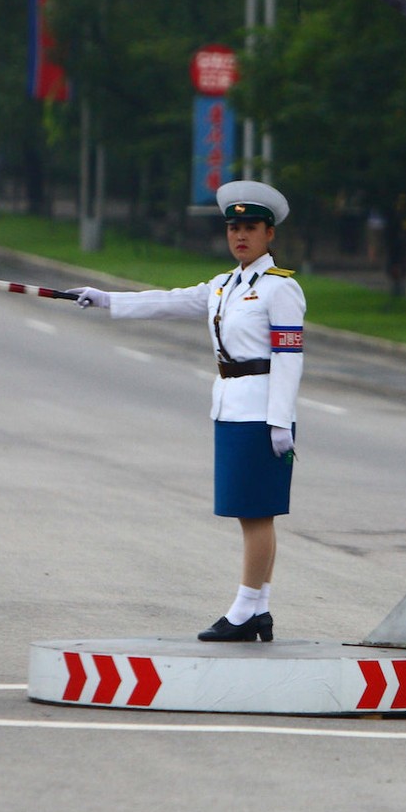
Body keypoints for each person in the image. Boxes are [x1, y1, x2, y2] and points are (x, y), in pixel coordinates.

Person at [73, 180, 305, 643]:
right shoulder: (225, 286)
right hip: (231, 405)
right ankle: (258, 608)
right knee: (251, 513)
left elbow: (288, 358)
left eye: (251, 227)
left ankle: (242, 610)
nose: (240, 235)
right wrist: (106, 299)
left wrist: (280, 420)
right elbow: (169, 301)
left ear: (269, 234)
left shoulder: (281, 289)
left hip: (261, 413)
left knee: (255, 513)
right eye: (233, 227)